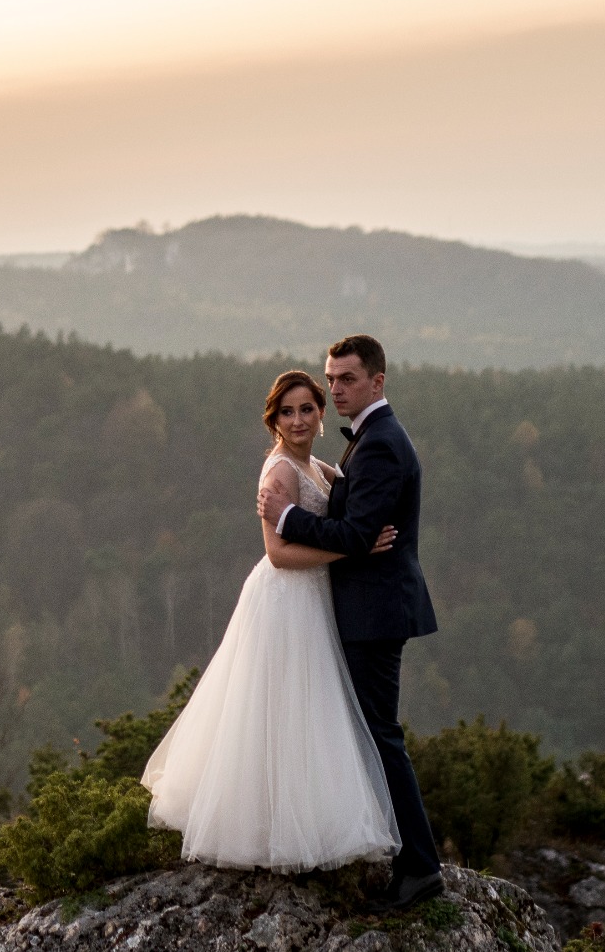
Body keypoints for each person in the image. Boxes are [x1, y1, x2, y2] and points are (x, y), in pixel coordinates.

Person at [143, 367, 402, 876]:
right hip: (284, 598)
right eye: (288, 411)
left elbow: (338, 493)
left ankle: (305, 823)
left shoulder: (316, 467)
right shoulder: (279, 473)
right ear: (274, 419)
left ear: (321, 414)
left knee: (308, 710)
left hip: (312, 597)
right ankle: (267, 832)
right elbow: (279, 553)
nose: (299, 419)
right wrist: (351, 552)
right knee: (279, 710)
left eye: (308, 408)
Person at [257, 334, 444, 911]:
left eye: (347, 379)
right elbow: (357, 525)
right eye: (330, 378)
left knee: (381, 736)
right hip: (364, 607)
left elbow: (362, 535)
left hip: (375, 611)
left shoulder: (381, 444)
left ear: (377, 382)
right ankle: (400, 855)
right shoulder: (366, 442)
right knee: (369, 734)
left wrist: (289, 515)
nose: (336, 388)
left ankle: (419, 866)